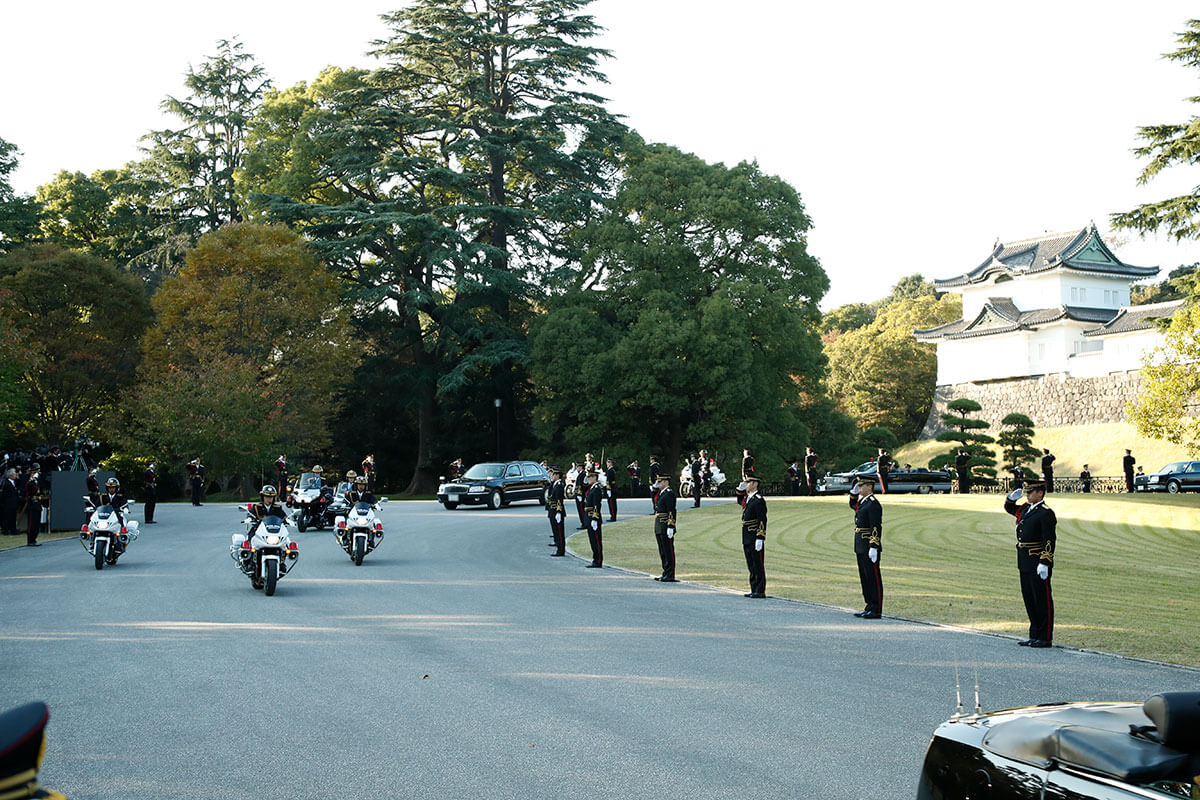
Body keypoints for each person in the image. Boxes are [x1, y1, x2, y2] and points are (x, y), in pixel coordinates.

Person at [1003, 479, 1056, 648]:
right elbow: (1010, 508)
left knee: (1042, 599)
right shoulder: (1026, 509)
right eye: (1026, 492)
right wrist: (1011, 498)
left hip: (1037, 560)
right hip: (1024, 560)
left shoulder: (1046, 513)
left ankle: (1045, 637)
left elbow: (1049, 540)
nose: (1027, 495)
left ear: (1040, 493)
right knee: (1029, 598)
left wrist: (1045, 561)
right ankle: (1034, 635)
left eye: (1030, 492)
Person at [849, 476, 883, 619]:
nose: (859, 488)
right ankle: (869, 605)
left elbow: (875, 526)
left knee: (873, 577)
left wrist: (874, 546)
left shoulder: (873, 504)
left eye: (861, 486)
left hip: (869, 545)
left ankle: (876, 609)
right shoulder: (863, 502)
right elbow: (854, 506)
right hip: (860, 546)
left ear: (870, 486)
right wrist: (853, 493)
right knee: (865, 578)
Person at [741, 476, 767, 597]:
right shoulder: (749, 498)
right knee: (750, 563)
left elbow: (762, 520)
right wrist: (738, 490)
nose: (746, 484)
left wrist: (760, 537)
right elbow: (739, 500)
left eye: (748, 482)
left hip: (754, 535)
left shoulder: (758, 500)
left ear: (755, 484)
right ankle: (753, 588)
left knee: (758, 563)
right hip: (746, 535)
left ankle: (760, 590)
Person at [652, 473, 677, 582]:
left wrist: (671, 525)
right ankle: (665, 572)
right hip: (659, 524)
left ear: (666, 482)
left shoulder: (669, 494)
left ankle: (670, 574)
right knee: (662, 550)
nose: (658, 484)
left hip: (665, 523)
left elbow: (671, 510)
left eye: (660, 482)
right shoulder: (661, 493)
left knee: (668, 550)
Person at [582, 468, 604, 568]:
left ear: (595, 477)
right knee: (592, 540)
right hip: (589, 517)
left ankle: (598, 560)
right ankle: (595, 559)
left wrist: (595, 518)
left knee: (596, 540)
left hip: (593, 517)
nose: (589, 479)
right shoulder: (591, 488)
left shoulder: (596, 489)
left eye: (590, 476)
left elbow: (596, 505)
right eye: (588, 477)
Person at [546, 466, 566, 557]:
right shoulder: (554, 484)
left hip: (556, 511)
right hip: (552, 510)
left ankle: (561, 549)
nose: (552, 476)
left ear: (558, 475)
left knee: (559, 531)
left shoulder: (559, 486)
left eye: (554, 474)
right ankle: (559, 547)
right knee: (555, 530)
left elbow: (559, 500)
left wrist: (558, 512)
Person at [23, 468, 43, 546]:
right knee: (32, 523)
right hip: (32, 505)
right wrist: (32, 480)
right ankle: (30, 540)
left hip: (37, 505)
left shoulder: (36, 482)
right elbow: (31, 489)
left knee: (37, 523)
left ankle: (34, 538)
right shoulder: (30, 483)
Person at [1, 468, 18, 537]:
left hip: (13, 502)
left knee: (13, 517)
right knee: (7, 517)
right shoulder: (6, 483)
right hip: (8, 503)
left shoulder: (14, 482)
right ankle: (6, 530)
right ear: (10, 476)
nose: (15, 475)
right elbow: (4, 494)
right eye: (14, 474)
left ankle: (13, 530)